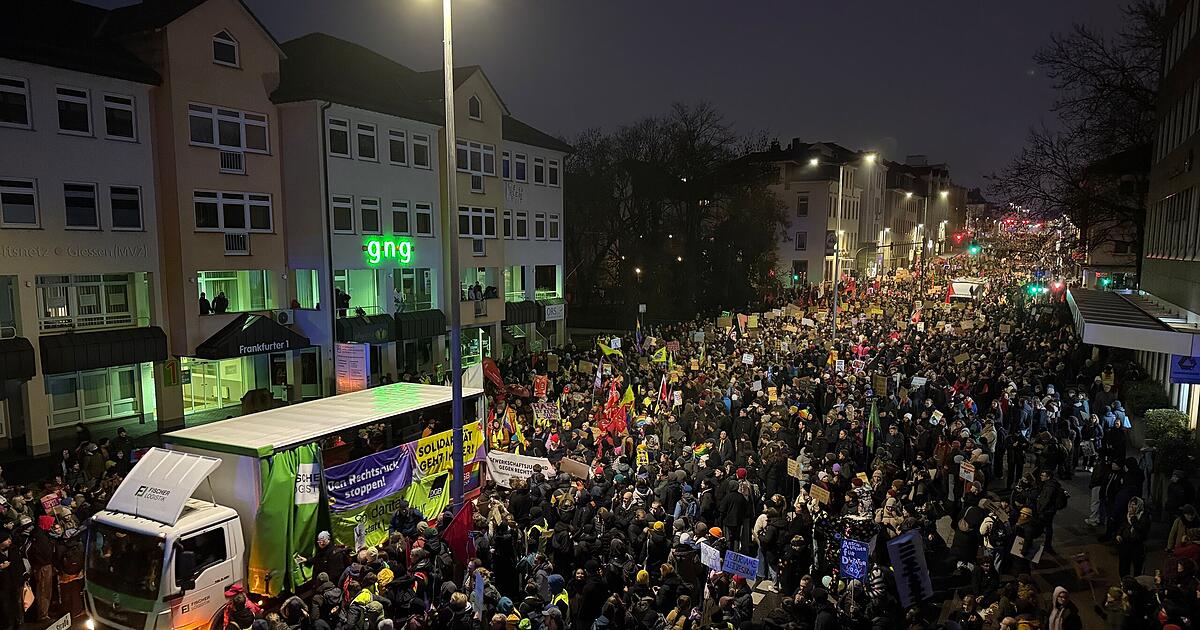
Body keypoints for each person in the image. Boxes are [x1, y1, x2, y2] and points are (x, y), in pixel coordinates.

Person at [1116, 496, 1150, 577]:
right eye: (1130, 505)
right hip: (1125, 544)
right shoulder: (1127, 515)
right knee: (1124, 566)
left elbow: (1141, 529)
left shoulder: (1144, 517)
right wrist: (1119, 534)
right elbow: (1122, 525)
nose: (1131, 507)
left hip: (1137, 545)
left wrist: (1133, 518)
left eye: (1134, 505)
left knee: (1138, 568)